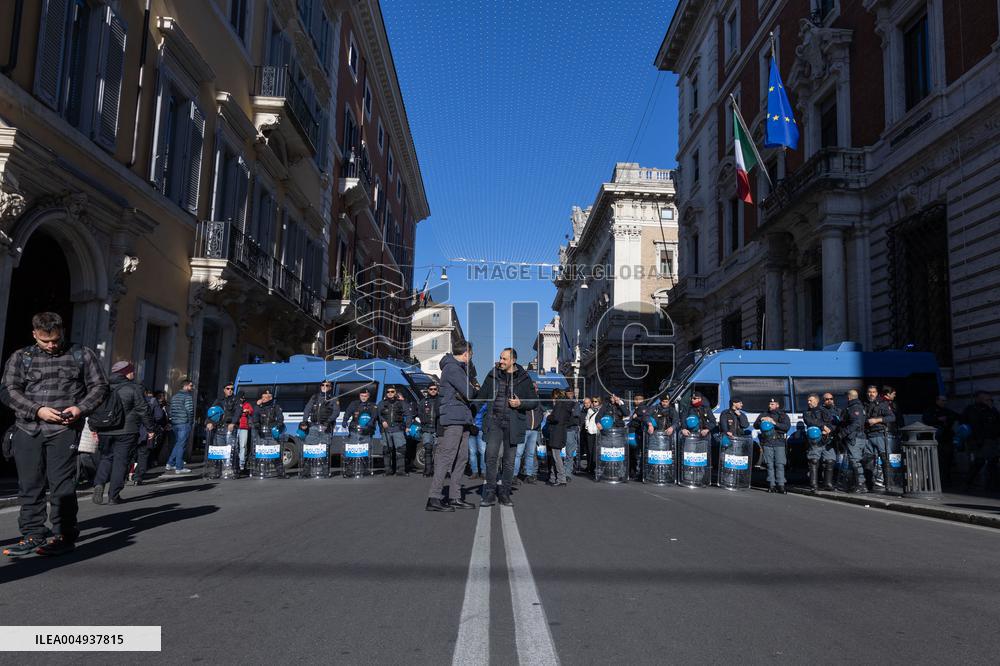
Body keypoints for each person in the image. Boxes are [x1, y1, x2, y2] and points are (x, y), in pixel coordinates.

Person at [0, 312, 108, 557]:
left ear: (63, 333)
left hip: (64, 431)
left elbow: (100, 386)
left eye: (56, 340)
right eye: (45, 341)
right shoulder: (21, 357)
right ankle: (32, 534)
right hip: (27, 428)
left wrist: (80, 408)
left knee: (62, 487)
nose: (51, 345)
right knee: (29, 486)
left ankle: (63, 535)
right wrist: (37, 410)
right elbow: (8, 390)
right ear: (34, 335)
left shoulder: (82, 354)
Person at [477, 348, 538, 507]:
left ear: (513, 360)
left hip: (513, 424)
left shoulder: (524, 378)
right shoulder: (493, 375)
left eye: (504, 359)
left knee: (509, 461)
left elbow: (534, 401)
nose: (501, 361)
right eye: (500, 358)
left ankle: (504, 493)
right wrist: (468, 413)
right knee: (491, 457)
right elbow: (481, 396)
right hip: (494, 422)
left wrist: (520, 403)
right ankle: (489, 493)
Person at [427, 340, 478, 511]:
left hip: (462, 418)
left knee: (461, 458)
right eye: (470, 355)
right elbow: (469, 393)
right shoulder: (453, 368)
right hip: (453, 418)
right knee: (446, 457)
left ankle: (455, 496)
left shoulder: (458, 369)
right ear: (466, 354)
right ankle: (434, 497)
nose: (470, 358)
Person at [93, 361, 153, 505]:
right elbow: (143, 410)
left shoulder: (102, 387)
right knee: (121, 462)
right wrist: (150, 428)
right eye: (132, 371)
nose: (133, 373)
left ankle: (99, 484)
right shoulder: (134, 388)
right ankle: (113, 495)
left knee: (106, 458)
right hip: (127, 430)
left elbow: (94, 407)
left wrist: (93, 427)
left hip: (105, 430)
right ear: (126, 372)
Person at [962, 391, 999, 492]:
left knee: (992, 462)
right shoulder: (973, 409)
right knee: (980, 461)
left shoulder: (991, 409)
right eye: (987, 399)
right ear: (979, 399)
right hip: (980, 441)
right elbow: (975, 426)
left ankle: (992, 485)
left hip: (992, 440)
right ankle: (968, 482)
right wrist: (977, 441)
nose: (989, 401)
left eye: (990, 400)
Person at [754, 398, 791, 493]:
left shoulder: (783, 415)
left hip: (779, 442)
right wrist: (762, 420)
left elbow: (786, 427)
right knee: (769, 465)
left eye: (772, 404)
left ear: (777, 405)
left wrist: (774, 422)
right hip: (767, 442)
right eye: (770, 404)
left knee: (780, 464)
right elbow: (755, 425)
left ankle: (781, 485)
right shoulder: (764, 414)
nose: (770, 406)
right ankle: (771, 484)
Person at [863, 385, 895, 491]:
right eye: (869, 392)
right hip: (868, 435)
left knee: (885, 459)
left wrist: (877, 420)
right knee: (868, 461)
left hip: (880, 434)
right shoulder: (864, 404)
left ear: (876, 393)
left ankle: (888, 485)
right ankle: (869, 485)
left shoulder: (882, 404)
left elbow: (891, 417)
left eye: (873, 392)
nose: (871, 394)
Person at [802, 393, 836, 492]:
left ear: (816, 401)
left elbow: (832, 422)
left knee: (830, 460)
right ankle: (813, 484)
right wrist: (823, 427)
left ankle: (828, 484)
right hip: (815, 440)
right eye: (808, 401)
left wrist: (829, 429)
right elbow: (811, 422)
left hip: (827, 439)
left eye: (810, 400)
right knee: (814, 461)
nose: (808, 402)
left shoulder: (825, 411)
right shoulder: (806, 413)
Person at [132, 387, 165, 485]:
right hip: (146, 431)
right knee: (143, 455)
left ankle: (123, 475)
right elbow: (159, 416)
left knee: (128, 454)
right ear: (146, 392)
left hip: (130, 430)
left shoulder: (131, 399)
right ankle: (137, 477)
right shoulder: (152, 401)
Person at [924, 395, 960, 485]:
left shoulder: (947, 411)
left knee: (948, 460)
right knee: (938, 460)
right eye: (942, 400)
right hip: (936, 439)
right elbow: (926, 420)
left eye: (945, 401)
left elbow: (958, 416)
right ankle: (937, 479)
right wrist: (937, 419)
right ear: (937, 401)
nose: (944, 402)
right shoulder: (931, 410)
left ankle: (946, 479)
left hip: (947, 438)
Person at [514, 387, 544, 484]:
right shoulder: (522, 399)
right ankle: (514, 475)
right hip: (524, 429)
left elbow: (541, 413)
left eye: (536, 388)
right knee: (518, 453)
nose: (535, 389)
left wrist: (536, 425)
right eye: (533, 387)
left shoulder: (537, 401)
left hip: (534, 430)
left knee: (530, 454)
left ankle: (528, 475)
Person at [378, 386, 410, 476]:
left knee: (401, 450)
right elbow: (378, 414)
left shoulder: (401, 403)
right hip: (386, 430)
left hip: (398, 429)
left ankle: (401, 471)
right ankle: (388, 470)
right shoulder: (381, 403)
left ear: (395, 392)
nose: (390, 393)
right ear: (386, 393)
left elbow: (408, 414)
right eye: (388, 392)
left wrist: (407, 425)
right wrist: (382, 421)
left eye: (392, 391)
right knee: (386, 450)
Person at [842, 389, 869, 493]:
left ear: (849, 397)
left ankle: (860, 485)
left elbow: (856, 423)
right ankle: (859, 484)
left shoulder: (853, 408)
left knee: (855, 461)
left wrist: (844, 433)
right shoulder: (861, 407)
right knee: (857, 461)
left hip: (854, 438)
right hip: (861, 437)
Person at [166, 379, 195, 474]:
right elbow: (190, 411)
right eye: (191, 386)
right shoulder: (187, 397)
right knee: (181, 445)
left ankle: (170, 463)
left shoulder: (174, 396)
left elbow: (171, 411)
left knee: (178, 444)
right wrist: (190, 423)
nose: (192, 388)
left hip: (175, 423)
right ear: (186, 386)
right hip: (184, 423)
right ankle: (179, 467)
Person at [545, 388, 571, 486]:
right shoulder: (565, 405)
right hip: (561, 432)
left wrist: (548, 416)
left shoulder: (559, 405)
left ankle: (561, 479)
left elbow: (555, 418)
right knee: (555, 456)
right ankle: (553, 477)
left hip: (557, 433)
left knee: (556, 457)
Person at [227, 391, 254, 474]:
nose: (242, 399)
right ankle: (232, 463)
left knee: (243, 446)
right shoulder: (234, 403)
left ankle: (241, 463)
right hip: (235, 427)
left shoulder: (247, 404)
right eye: (240, 397)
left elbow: (251, 411)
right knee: (234, 446)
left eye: (243, 397)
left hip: (244, 427)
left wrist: (247, 411)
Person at [417, 383, 441, 477]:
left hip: (438, 429)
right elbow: (420, 413)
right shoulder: (423, 401)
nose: (433, 390)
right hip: (426, 428)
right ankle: (427, 470)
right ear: (428, 390)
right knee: (428, 449)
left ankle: (437, 470)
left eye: (435, 389)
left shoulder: (441, 400)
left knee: (437, 451)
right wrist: (424, 420)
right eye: (431, 389)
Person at [206, 383, 238, 451]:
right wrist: (209, 422)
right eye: (228, 388)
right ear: (224, 390)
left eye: (232, 389)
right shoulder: (219, 400)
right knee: (220, 450)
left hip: (230, 428)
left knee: (230, 451)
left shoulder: (236, 400)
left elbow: (238, 413)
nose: (230, 390)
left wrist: (233, 423)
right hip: (220, 428)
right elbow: (212, 412)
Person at [628, 394, 650, 480]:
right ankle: (633, 472)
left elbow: (644, 419)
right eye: (635, 399)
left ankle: (639, 473)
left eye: (638, 400)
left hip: (638, 433)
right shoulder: (636, 409)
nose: (636, 401)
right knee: (633, 454)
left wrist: (635, 418)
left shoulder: (643, 408)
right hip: (634, 433)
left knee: (638, 454)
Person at [467, 403, 488, 480]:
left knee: (482, 451)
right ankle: (474, 472)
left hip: (481, 429)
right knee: (472, 452)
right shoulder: (470, 400)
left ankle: (483, 472)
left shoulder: (485, 402)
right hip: (471, 429)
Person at [564, 389, 582, 474]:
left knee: (571, 453)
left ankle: (568, 471)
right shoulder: (564, 403)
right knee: (568, 453)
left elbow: (577, 417)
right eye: (569, 393)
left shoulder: (575, 403)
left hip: (573, 429)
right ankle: (565, 472)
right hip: (567, 429)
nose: (571, 395)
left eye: (572, 393)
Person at [584, 396, 601, 478]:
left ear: (599, 402)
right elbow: (587, 419)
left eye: (596, 401)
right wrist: (587, 427)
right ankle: (589, 467)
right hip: (590, 432)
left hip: (598, 433)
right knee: (590, 451)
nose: (594, 403)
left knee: (595, 451)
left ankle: (595, 468)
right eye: (593, 401)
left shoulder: (601, 410)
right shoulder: (590, 410)